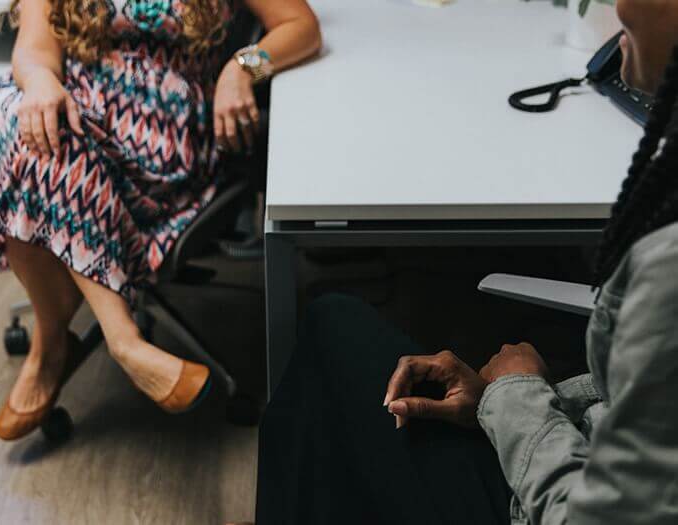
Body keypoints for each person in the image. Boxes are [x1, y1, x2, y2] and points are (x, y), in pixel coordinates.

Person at [246, 0, 678, 523]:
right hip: (573, 450)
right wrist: (504, 405)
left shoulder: (666, 265)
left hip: (545, 502)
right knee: (341, 352)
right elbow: (643, 409)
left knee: (333, 335)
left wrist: (520, 397)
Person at [0, 0, 321, 442]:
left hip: (164, 147)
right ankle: (122, 342)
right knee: (19, 113)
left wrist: (241, 67)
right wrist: (42, 80)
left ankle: (54, 346)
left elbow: (301, 26)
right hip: (73, 118)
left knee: (33, 137)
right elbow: (33, 50)